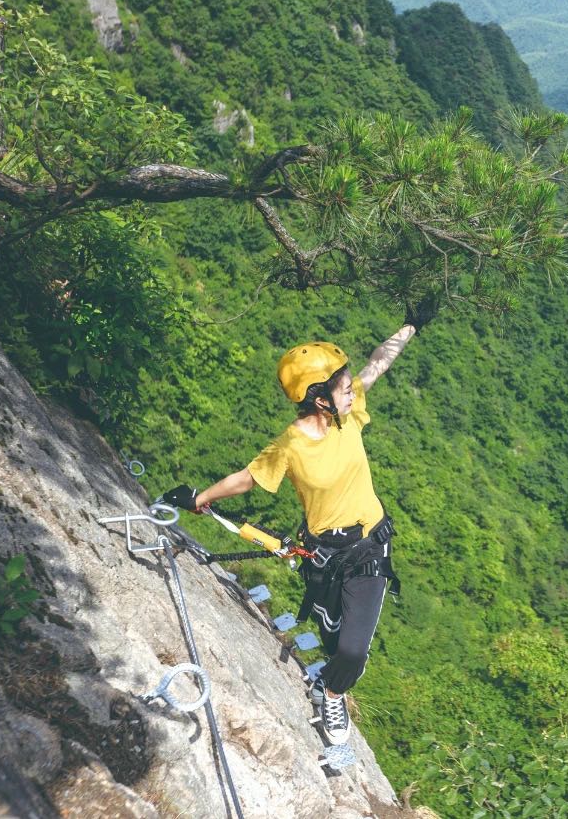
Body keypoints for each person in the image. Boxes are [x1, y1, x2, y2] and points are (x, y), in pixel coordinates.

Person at [165, 318, 424, 745]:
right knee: (335, 637)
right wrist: (200, 498)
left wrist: (411, 325)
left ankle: (333, 691)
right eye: (341, 386)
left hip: (369, 545)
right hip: (324, 555)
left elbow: (378, 364)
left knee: (353, 652)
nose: (350, 389)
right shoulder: (291, 445)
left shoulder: (350, 412)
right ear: (318, 398)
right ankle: (333, 671)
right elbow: (248, 477)